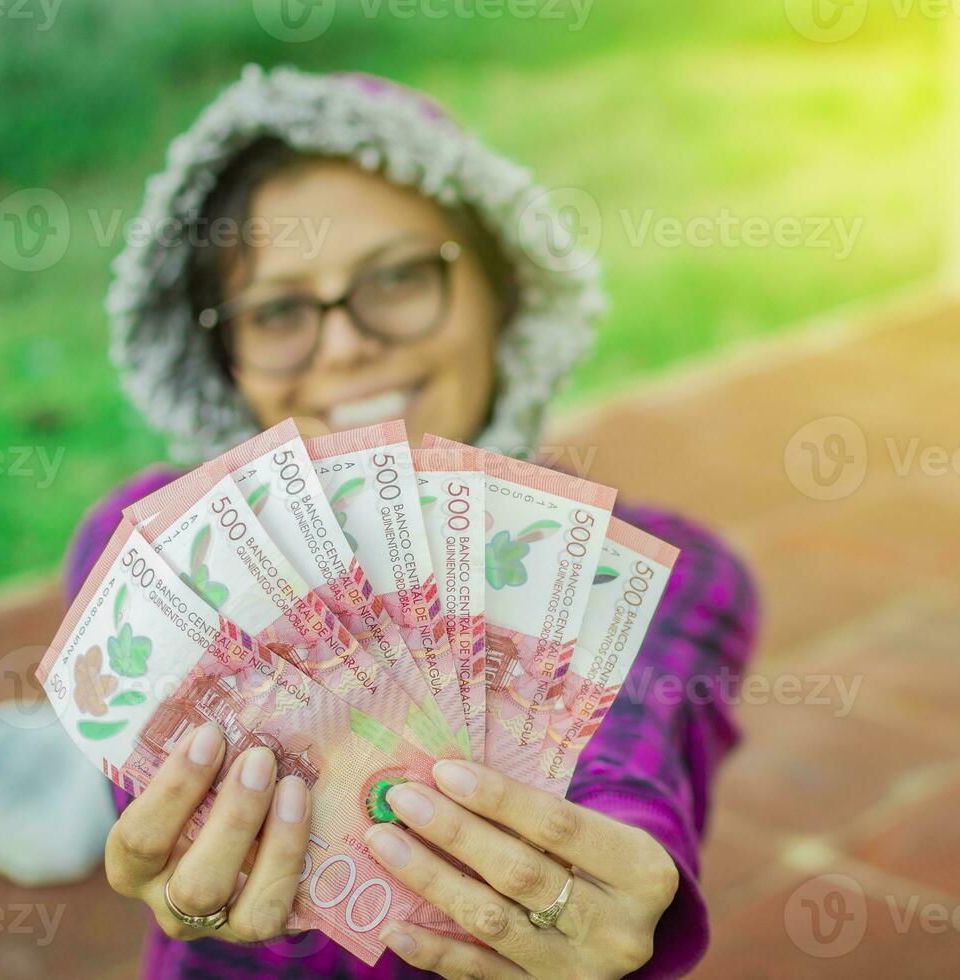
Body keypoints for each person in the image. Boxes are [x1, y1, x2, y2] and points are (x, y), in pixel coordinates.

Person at [62, 66, 758, 979]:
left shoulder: (670, 575)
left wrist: (622, 878)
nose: (346, 343)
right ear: (223, 356)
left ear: (502, 291)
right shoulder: (144, 546)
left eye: (395, 278)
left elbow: (637, 759)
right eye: (277, 310)